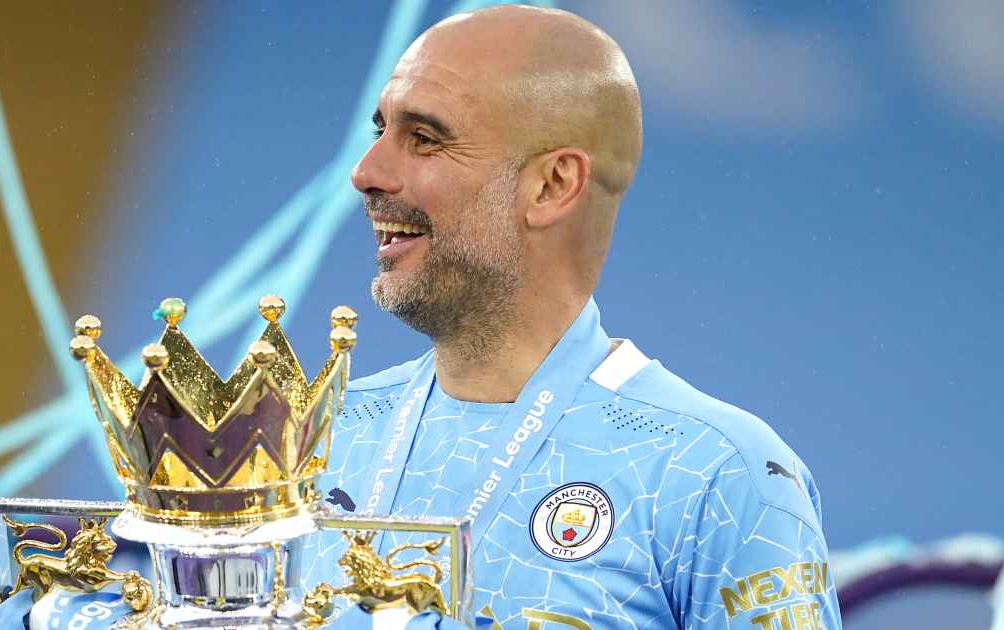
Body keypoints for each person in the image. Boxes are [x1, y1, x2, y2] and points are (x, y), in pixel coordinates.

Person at [304, 5, 843, 629]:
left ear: (553, 185)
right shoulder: (314, 439)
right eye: (381, 130)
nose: (366, 172)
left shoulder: (719, 474)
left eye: (424, 138)